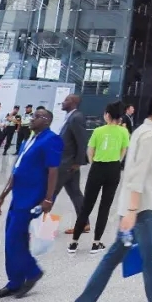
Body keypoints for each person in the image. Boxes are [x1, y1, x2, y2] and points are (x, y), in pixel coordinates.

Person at [68, 91, 152, 302]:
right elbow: (138, 175)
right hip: (144, 209)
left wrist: (129, 210)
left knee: (113, 257)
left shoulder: (142, 131)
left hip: (133, 208)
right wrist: (132, 211)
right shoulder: (150, 137)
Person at [0, 106, 62, 299]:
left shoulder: (51, 139)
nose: (32, 118)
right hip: (18, 196)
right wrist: (2, 196)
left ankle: (33, 271)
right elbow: (16, 170)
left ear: (47, 121)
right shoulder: (29, 139)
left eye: (37, 116)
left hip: (32, 198)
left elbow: (53, 171)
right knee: (11, 239)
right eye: (33, 115)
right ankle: (14, 282)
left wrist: (48, 198)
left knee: (15, 238)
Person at [68, 101, 130, 255]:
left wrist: (94, 163)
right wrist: (117, 162)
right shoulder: (124, 132)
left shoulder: (98, 131)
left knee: (86, 206)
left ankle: (74, 242)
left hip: (97, 168)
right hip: (114, 169)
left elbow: (90, 151)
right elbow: (123, 150)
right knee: (105, 206)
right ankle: (96, 243)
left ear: (107, 115)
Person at [57, 94, 90, 236]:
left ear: (73, 102)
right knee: (75, 193)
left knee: (50, 194)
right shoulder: (70, 117)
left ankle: (43, 229)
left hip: (67, 164)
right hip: (68, 163)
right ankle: (84, 224)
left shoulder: (76, 117)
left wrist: (78, 162)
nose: (63, 102)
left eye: (66, 100)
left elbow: (82, 141)